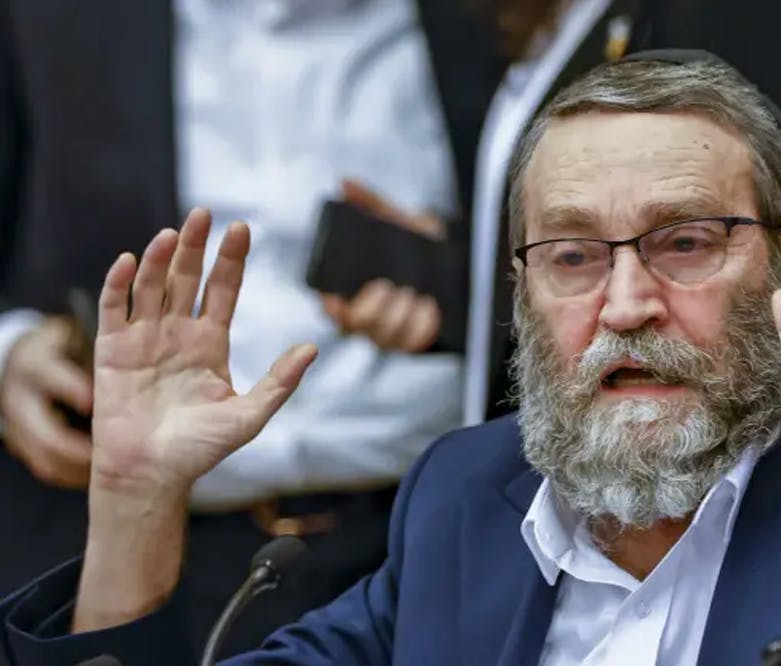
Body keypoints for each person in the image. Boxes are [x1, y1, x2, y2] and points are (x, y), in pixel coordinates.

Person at [0, 54, 781, 665]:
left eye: (686, 243)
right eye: (568, 257)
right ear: (520, 289)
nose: (625, 303)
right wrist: (137, 499)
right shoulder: (466, 497)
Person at [0, 0, 463, 655]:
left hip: (422, 530)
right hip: (135, 534)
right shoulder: (49, 18)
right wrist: (10, 353)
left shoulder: (494, 21)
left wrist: (451, 279)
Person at [347, 0, 781, 423]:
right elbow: (630, 231)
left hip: (700, 494)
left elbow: (768, 264)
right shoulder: (561, 20)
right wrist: (458, 270)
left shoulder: (749, 12)